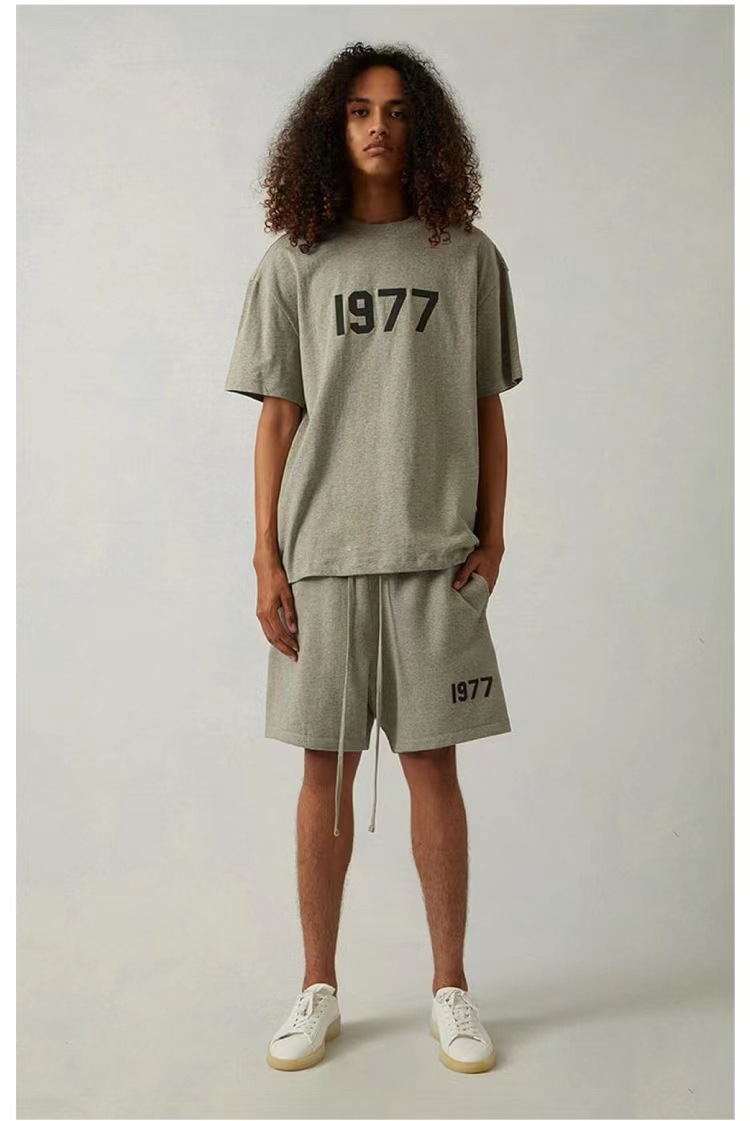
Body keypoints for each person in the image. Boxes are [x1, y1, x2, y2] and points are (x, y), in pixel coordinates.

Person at [224, 42, 523, 1075]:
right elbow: (276, 420)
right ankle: (318, 985)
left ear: (421, 128)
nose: (378, 126)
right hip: (323, 555)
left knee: (435, 768)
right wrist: (265, 559)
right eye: (358, 110)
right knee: (326, 772)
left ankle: (451, 987)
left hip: (436, 557)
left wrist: (493, 537)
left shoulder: (467, 258)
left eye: (395, 110)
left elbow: (487, 408)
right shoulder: (294, 261)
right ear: (333, 126)